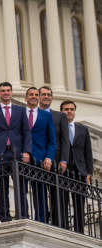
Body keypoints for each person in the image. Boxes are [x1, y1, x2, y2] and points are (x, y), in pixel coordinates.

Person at [0, 81, 31, 222]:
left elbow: (26, 132)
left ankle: (23, 215)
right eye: (3, 91)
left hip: (17, 153)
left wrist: (27, 152)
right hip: (0, 154)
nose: (6, 93)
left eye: (8, 90)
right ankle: (4, 216)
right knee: (2, 187)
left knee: (21, 186)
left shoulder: (21, 110)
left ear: (11, 92)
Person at [39, 86, 70, 228]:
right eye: (44, 94)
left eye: (49, 95)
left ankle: (59, 224)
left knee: (56, 193)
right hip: (37, 159)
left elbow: (65, 140)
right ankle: (42, 221)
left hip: (56, 160)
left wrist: (64, 160)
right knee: (39, 192)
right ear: (39, 97)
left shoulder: (60, 116)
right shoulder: (33, 114)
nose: (46, 97)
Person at [24, 87, 56, 223]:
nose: (34, 97)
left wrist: (49, 157)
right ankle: (23, 217)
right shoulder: (19, 113)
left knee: (40, 192)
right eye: (31, 94)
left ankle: (41, 220)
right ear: (26, 98)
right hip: (23, 158)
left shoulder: (47, 116)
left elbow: (52, 140)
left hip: (40, 160)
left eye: (36, 95)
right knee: (22, 190)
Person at [61, 100, 93, 233]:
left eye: (71, 109)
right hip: (63, 168)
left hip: (80, 170)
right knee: (63, 200)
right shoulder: (58, 127)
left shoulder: (83, 129)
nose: (69, 111)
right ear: (62, 111)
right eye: (66, 109)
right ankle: (64, 227)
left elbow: (88, 152)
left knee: (79, 202)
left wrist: (89, 172)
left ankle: (79, 229)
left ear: (74, 111)